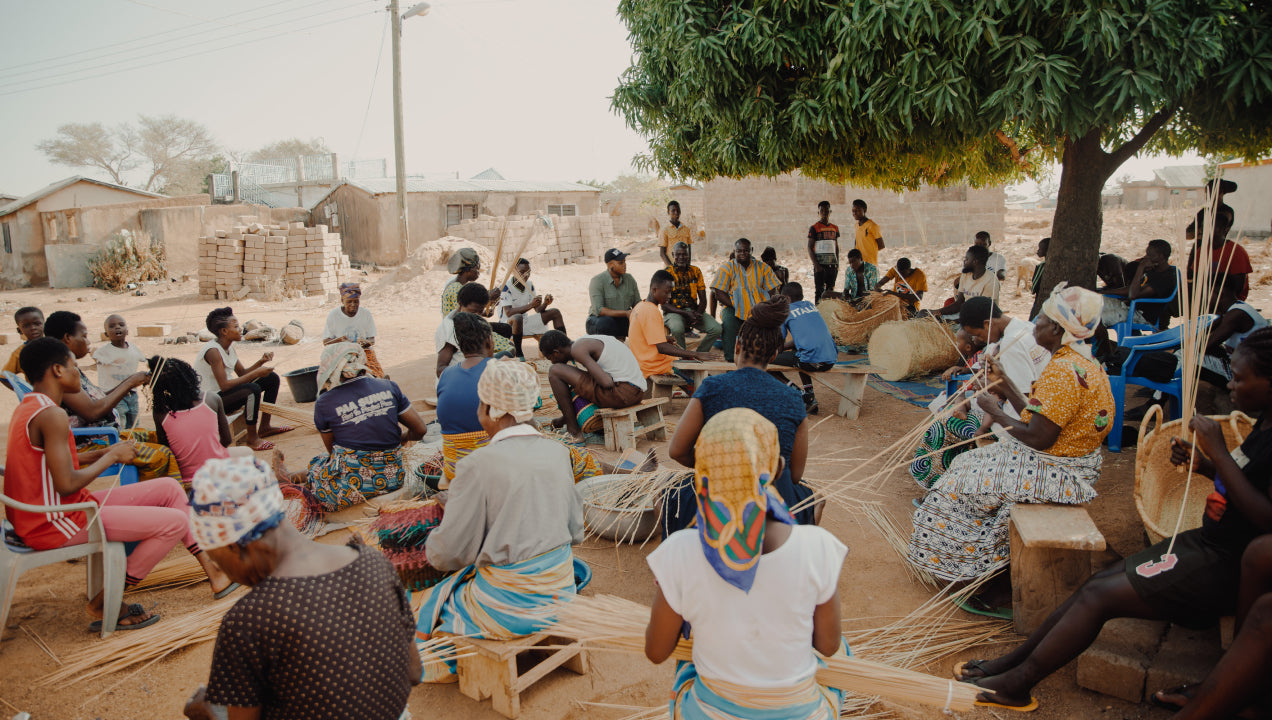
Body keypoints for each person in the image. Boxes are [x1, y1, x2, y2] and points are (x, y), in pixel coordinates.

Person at [956, 328, 1272, 711]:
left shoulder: (1071, 368)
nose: (1231, 385)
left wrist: (1218, 452)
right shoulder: (1264, 424)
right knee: (1097, 582)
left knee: (1099, 596)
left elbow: (1264, 516)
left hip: (1222, 565)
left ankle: (1018, 683)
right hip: (1205, 545)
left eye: (1239, 378)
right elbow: (1248, 483)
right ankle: (1012, 663)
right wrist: (1205, 465)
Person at [6, 337, 235, 633]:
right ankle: (107, 600)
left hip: (54, 511)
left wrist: (100, 453)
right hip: (54, 521)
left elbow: (52, 463)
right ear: (57, 371)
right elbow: (65, 483)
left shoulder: (31, 405)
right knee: (174, 523)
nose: (78, 371)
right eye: (74, 365)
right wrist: (112, 455)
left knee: (168, 488)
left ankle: (213, 570)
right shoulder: (53, 415)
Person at [645, 408, 849, 719]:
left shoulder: (680, 551)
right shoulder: (817, 546)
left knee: (687, 664)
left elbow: (657, 651)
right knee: (843, 650)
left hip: (709, 712)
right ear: (777, 468)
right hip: (802, 713)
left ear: (701, 474)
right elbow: (828, 646)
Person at [182, 456, 419, 720]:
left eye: (218, 563)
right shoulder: (372, 561)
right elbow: (414, 671)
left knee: (204, 706)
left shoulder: (247, 621)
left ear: (232, 546)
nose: (227, 573)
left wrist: (211, 713)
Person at [909, 285, 1114, 586]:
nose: (1036, 324)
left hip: (1061, 469)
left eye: (1042, 319)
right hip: (1066, 458)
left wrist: (996, 410)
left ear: (1056, 329)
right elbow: (1040, 416)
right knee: (966, 465)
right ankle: (969, 560)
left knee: (960, 483)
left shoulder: (1063, 371)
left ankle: (969, 571)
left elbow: (1038, 437)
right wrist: (1005, 386)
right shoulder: (1081, 360)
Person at [416, 360, 585, 682]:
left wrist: (440, 531)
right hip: (561, 592)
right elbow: (575, 531)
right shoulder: (557, 452)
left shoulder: (476, 465)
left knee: (427, 604)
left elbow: (448, 555)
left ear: (489, 409)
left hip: (511, 611)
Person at [667, 296, 818, 531]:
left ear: (737, 346)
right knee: (816, 500)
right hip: (774, 501)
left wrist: (717, 464)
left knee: (665, 497)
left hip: (717, 498)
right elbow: (795, 475)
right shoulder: (793, 400)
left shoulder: (711, 388)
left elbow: (677, 450)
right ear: (773, 354)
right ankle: (791, 550)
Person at [432, 314, 602, 490]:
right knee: (581, 459)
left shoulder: (445, 375)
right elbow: (529, 422)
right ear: (490, 342)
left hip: (455, 467)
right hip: (497, 466)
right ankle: (625, 476)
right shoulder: (504, 370)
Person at [911, 298, 1052, 491]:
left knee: (944, 424)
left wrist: (988, 388)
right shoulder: (1023, 328)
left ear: (987, 324)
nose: (980, 340)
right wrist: (971, 373)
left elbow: (1021, 396)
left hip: (1019, 420)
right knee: (947, 399)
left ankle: (940, 488)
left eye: (978, 334)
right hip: (1025, 410)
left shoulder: (1013, 344)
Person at [43, 310, 181, 481]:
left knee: (160, 436)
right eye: (84, 336)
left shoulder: (69, 368)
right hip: (93, 442)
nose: (88, 341)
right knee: (162, 455)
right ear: (67, 338)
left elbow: (98, 400)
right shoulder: (62, 375)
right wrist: (129, 383)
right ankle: (154, 496)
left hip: (104, 435)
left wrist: (131, 381)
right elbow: (92, 412)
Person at [291, 342, 427, 512]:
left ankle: (286, 478)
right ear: (362, 362)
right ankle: (287, 476)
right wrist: (403, 439)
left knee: (318, 470)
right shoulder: (388, 387)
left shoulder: (325, 402)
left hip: (355, 487)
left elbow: (333, 453)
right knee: (318, 464)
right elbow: (421, 430)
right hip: (394, 478)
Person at [194, 307, 290, 452]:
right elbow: (225, 385)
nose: (240, 330)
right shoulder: (213, 351)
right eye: (236, 327)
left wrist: (261, 362)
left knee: (271, 378)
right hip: (213, 401)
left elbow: (242, 373)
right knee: (252, 390)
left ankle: (265, 426)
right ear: (224, 331)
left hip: (223, 394)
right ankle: (252, 439)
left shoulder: (228, 347)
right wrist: (255, 374)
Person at [150, 356, 250, 481]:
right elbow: (226, 440)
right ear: (189, 377)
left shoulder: (160, 412)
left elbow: (165, 450)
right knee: (247, 452)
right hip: (216, 471)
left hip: (185, 476)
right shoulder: (211, 399)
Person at [541, 330, 646, 442]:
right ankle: (566, 420)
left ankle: (574, 432)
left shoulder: (578, 349)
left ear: (556, 352)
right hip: (637, 392)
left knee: (555, 371)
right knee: (577, 386)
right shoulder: (585, 341)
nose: (552, 362)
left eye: (550, 358)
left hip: (623, 393)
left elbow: (607, 382)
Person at [629, 270, 713, 380]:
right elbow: (662, 348)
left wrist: (663, 338)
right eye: (667, 292)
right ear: (654, 290)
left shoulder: (640, 306)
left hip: (642, 362)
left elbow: (643, 337)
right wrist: (694, 354)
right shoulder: (651, 311)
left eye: (671, 292)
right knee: (705, 379)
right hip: (654, 366)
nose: (669, 296)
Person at [769, 282, 837, 414]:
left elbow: (780, 347)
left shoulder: (785, 311)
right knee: (800, 352)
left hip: (811, 361)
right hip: (830, 359)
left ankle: (801, 395)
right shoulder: (810, 306)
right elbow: (806, 338)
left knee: (764, 362)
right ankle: (809, 393)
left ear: (786, 298)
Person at [711, 238, 782, 363]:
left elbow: (772, 289)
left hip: (757, 309)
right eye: (739, 251)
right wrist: (735, 305)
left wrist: (764, 306)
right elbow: (719, 292)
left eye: (746, 250)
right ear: (734, 251)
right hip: (733, 308)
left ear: (751, 251)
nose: (742, 253)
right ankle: (731, 360)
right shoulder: (726, 268)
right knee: (728, 321)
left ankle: (760, 360)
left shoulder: (763, 268)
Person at [436, 282, 513, 376]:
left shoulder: (466, 320)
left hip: (473, 369)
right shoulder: (451, 329)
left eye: (480, 312)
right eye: (472, 312)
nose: (477, 316)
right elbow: (440, 369)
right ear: (460, 304)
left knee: (507, 353)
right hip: (463, 376)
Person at [1099, 239, 1178, 331]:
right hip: (1130, 308)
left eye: (1149, 255)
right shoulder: (1155, 270)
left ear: (1160, 256)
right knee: (1093, 305)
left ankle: (1104, 345)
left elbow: (1133, 295)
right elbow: (1131, 289)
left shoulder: (1166, 277)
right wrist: (1104, 292)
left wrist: (1140, 268)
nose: (1146, 257)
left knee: (1096, 319)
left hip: (1141, 315)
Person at [497, 257, 566, 358]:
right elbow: (509, 312)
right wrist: (531, 305)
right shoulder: (505, 287)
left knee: (555, 312)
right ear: (514, 272)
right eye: (522, 272)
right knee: (517, 317)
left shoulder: (529, 284)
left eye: (528, 272)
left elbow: (537, 310)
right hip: (509, 325)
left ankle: (564, 348)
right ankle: (519, 354)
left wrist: (545, 304)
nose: (526, 275)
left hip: (525, 322)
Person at [90, 314, 148, 429]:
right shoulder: (104, 352)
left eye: (121, 325)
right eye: (112, 326)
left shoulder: (133, 349)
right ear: (106, 334)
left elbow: (144, 360)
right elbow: (96, 357)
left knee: (134, 422)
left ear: (127, 331)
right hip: (114, 395)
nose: (117, 328)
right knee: (120, 422)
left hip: (132, 393)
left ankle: (133, 442)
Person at [663, 241, 722, 352]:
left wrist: (698, 314)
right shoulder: (667, 273)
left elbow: (703, 300)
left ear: (688, 254)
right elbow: (664, 306)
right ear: (673, 254)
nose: (681, 257)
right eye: (678, 254)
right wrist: (686, 314)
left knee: (716, 329)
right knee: (677, 328)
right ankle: (683, 356)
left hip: (693, 311)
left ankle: (699, 354)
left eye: (684, 254)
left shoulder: (696, 271)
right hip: (674, 312)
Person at [1188, 207, 1252, 301]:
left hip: (1229, 299)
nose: (1209, 230)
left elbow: (1238, 287)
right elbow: (1196, 279)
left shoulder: (1236, 251)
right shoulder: (1201, 250)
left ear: (1225, 229)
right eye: (1206, 226)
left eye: (1214, 226)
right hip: (1207, 296)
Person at [323, 282, 385, 378]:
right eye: (349, 301)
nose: (353, 304)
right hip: (340, 353)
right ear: (342, 300)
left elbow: (372, 339)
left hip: (363, 351)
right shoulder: (333, 315)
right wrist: (340, 340)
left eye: (356, 301)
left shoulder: (366, 314)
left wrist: (364, 343)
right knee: (331, 377)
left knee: (375, 373)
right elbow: (326, 342)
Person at [587, 248, 641, 339]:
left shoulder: (629, 279)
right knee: (605, 323)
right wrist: (626, 313)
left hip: (622, 318)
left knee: (642, 319)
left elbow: (637, 303)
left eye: (624, 262)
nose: (624, 265)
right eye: (620, 263)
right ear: (610, 265)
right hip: (598, 321)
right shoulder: (597, 281)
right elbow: (599, 310)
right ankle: (604, 346)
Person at [940, 245, 1000, 318]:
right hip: (965, 315)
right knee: (924, 313)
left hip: (981, 321)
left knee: (956, 327)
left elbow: (984, 312)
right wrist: (936, 312)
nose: (964, 261)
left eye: (967, 259)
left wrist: (956, 321)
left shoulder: (991, 281)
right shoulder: (965, 275)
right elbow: (959, 303)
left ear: (975, 261)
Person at [441, 247, 499, 317]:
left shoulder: (461, 286)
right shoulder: (456, 288)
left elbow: (471, 311)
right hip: (455, 327)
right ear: (468, 269)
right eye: (477, 269)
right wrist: (488, 298)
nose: (478, 273)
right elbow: (465, 313)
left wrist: (487, 309)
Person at [807, 200, 841, 303]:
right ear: (818, 213)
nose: (824, 213)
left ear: (830, 212)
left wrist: (837, 263)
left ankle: (828, 313)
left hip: (832, 265)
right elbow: (809, 247)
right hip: (820, 265)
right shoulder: (814, 228)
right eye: (822, 210)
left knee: (830, 291)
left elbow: (836, 247)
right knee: (819, 291)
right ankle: (818, 312)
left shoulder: (835, 228)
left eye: (827, 210)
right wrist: (816, 265)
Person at [2, 306, 44, 382]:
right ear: (19, 330)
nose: (33, 328)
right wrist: (24, 391)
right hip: (37, 393)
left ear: (44, 323)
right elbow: (4, 377)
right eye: (26, 326)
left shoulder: (58, 345)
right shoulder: (19, 353)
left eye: (37, 323)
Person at [659, 199, 693, 267]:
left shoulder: (686, 229)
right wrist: (671, 268)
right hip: (671, 267)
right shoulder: (664, 230)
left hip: (684, 267)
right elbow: (662, 253)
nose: (676, 212)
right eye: (673, 210)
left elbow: (689, 249)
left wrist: (688, 265)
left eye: (678, 210)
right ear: (668, 212)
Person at [851, 198, 885, 267]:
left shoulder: (872, 226)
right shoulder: (856, 225)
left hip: (870, 264)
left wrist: (868, 252)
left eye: (857, 210)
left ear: (864, 210)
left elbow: (881, 245)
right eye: (853, 211)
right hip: (859, 263)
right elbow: (857, 241)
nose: (854, 213)